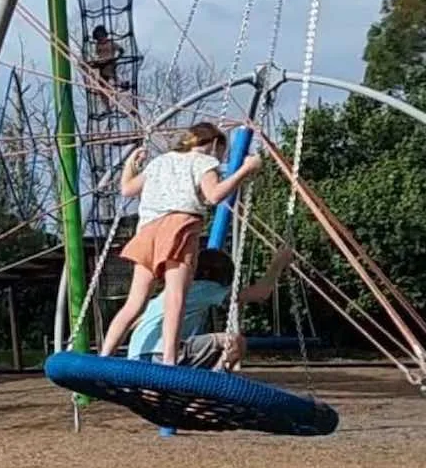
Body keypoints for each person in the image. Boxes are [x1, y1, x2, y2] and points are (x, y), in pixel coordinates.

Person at [97, 123, 264, 364]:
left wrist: (129, 165)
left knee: (135, 302)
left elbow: (127, 189)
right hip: (179, 227)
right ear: (214, 144)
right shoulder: (205, 162)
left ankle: (105, 355)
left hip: (147, 231)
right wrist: (245, 170)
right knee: (176, 297)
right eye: (222, 152)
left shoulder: (160, 162)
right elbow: (214, 195)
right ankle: (169, 359)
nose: (221, 158)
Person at [125, 246, 296, 370]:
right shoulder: (204, 287)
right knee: (236, 342)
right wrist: (278, 264)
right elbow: (261, 294)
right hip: (160, 355)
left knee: (204, 344)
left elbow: (136, 322)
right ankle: (216, 384)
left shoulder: (171, 292)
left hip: (137, 356)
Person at [87, 25, 125, 112]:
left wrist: (117, 57)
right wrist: (94, 63)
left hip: (110, 64)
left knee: (111, 77)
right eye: (98, 37)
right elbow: (98, 55)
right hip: (102, 66)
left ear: (105, 35)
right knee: (101, 88)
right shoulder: (98, 45)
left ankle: (121, 84)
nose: (100, 38)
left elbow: (121, 50)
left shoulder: (111, 43)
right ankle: (107, 107)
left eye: (101, 36)